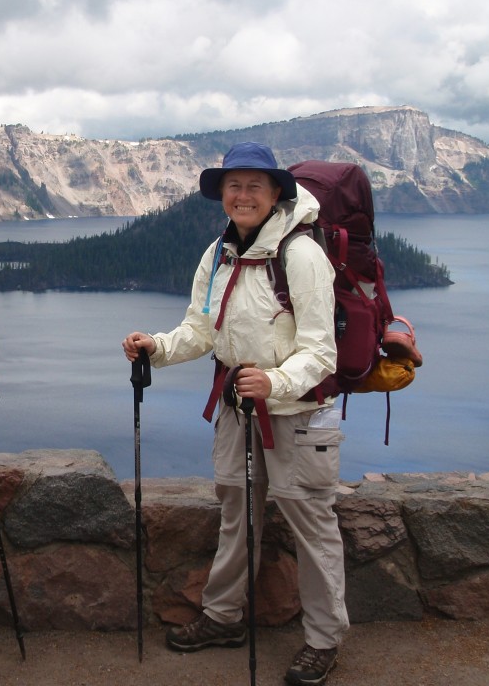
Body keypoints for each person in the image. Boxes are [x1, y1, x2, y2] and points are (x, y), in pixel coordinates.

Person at [121, 142, 347, 686]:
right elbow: (203, 329)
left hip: (295, 412)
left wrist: (274, 381)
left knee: (312, 525)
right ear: (222, 194)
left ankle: (323, 640)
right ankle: (223, 616)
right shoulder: (219, 253)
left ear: (275, 194)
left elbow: (321, 351)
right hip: (237, 406)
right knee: (236, 514)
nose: (242, 195)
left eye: (254, 186)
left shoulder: (301, 255)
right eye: (233, 186)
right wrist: (157, 346)